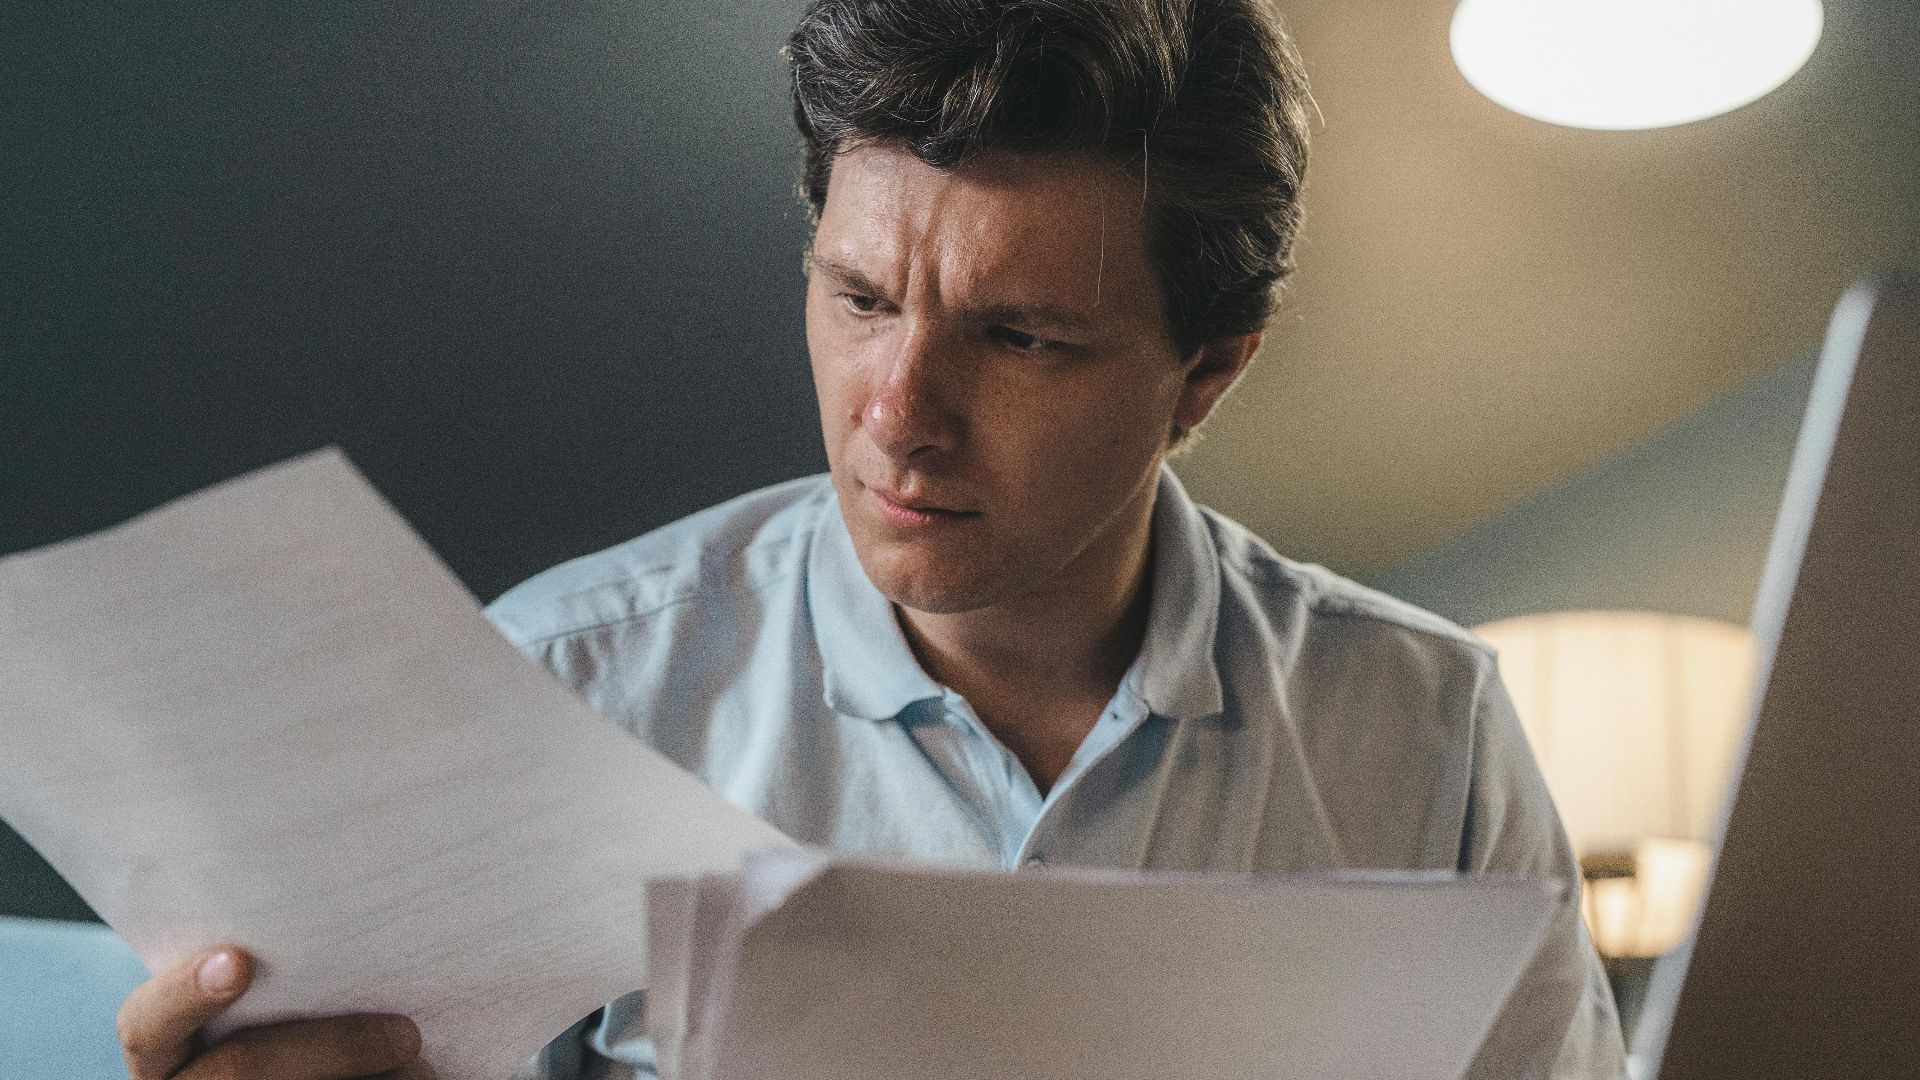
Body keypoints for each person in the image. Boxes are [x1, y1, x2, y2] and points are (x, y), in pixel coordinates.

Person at [114, 1, 1629, 1078]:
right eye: (860, 299)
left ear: (1209, 371)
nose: (898, 415)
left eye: (1020, 338)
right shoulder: (553, 687)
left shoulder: (1429, 730)